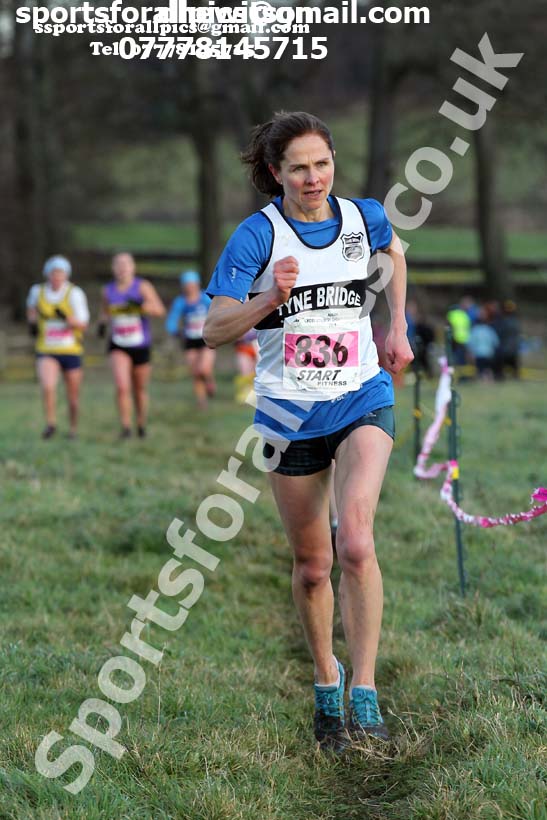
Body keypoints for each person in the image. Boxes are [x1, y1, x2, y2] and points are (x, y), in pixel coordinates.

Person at [203, 112, 414, 751]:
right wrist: (270, 299)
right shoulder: (255, 237)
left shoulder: (363, 217)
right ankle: (328, 676)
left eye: (321, 163)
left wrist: (396, 326)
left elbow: (395, 253)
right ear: (276, 173)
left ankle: (366, 689)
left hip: (361, 397)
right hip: (286, 413)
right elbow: (214, 329)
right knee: (313, 564)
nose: (313, 177)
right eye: (298, 166)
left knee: (354, 541)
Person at [99, 252, 165, 438]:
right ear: (113, 268)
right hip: (118, 343)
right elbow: (104, 312)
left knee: (139, 389)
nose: (121, 268)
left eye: (125, 264)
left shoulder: (142, 287)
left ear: (133, 267)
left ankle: (141, 424)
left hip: (140, 344)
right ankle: (126, 427)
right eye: (118, 264)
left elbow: (160, 310)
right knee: (122, 386)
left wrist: (145, 307)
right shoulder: (108, 290)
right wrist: (102, 325)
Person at [26, 255, 89, 439]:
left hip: (71, 349)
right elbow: (30, 308)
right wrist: (32, 322)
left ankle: (73, 428)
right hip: (46, 349)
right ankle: (51, 424)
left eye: (60, 273)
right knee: (48, 386)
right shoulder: (37, 291)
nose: (56, 277)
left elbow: (83, 324)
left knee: (73, 397)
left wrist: (68, 320)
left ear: (66, 275)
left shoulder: (75, 294)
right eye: (53, 273)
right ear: (47, 274)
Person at [165, 270, 216, 408]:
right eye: (187, 285)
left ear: (197, 284)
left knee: (204, 369)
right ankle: (201, 401)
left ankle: (209, 380)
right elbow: (172, 320)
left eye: (192, 284)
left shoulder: (205, 298)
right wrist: (174, 331)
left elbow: (217, 311)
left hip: (206, 339)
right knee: (195, 372)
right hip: (189, 340)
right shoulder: (181, 302)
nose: (190, 287)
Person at [467, 308, 500, 380]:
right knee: (488, 369)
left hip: (478, 354)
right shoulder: (489, 330)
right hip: (489, 353)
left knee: (480, 371)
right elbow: (496, 342)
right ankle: (490, 383)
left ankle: (483, 383)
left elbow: (470, 343)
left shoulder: (474, 330)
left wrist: (471, 353)